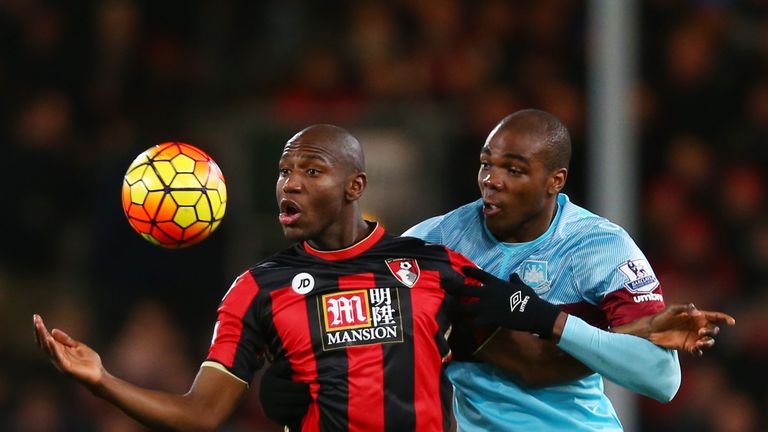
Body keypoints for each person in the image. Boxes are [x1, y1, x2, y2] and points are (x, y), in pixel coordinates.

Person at [34, 123, 730, 432]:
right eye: (283, 170)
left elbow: (527, 355)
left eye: (310, 170)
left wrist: (631, 332)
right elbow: (201, 411)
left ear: (354, 185)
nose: (290, 183)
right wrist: (103, 380)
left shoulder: (424, 266)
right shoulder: (258, 289)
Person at [402, 108, 736, 430]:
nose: (492, 180)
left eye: (514, 170)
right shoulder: (433, 243)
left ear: (555, 180)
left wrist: (548, 319)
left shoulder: (598, 246)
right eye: (486, 164)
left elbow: (662, 378)